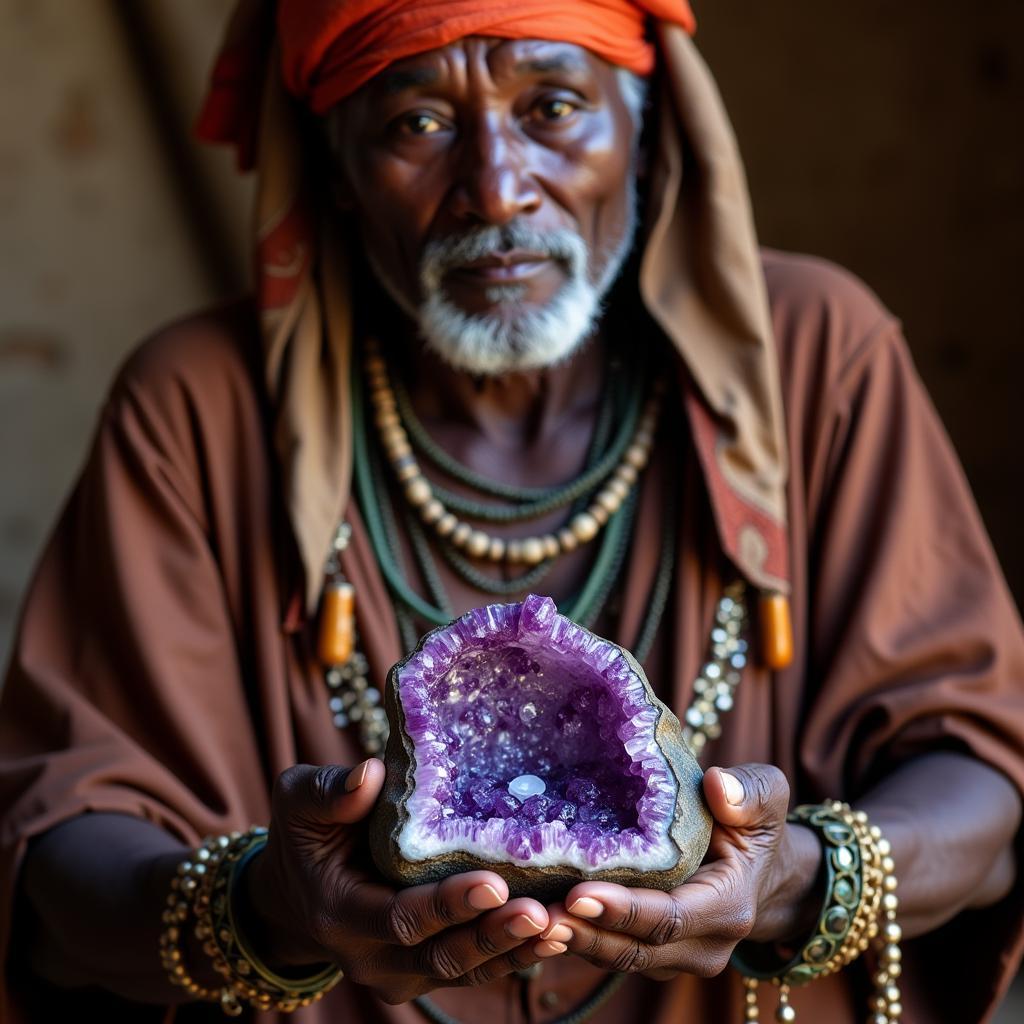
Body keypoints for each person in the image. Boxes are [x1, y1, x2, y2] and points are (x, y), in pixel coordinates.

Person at [2, 1, 1023, 1022]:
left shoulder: (814, 357)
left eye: (553, 106)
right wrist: (265, 908)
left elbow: (984, 783)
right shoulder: (196, 406)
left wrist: (792, 875)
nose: (495, 188)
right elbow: (56, 848)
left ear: (643, 128)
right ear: (336, 167)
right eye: (419, 125)